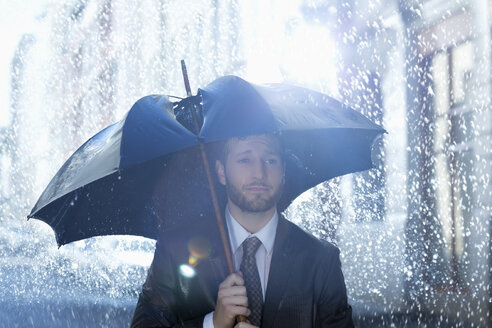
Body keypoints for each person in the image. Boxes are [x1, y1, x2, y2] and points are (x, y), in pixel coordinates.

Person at [131, 134, 354, 328]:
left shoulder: (321, 260)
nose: (259, 172)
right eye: (244, 159)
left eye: (270, 160)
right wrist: (214, 324)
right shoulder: (175, 252)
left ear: (283, 171)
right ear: (221, 172)